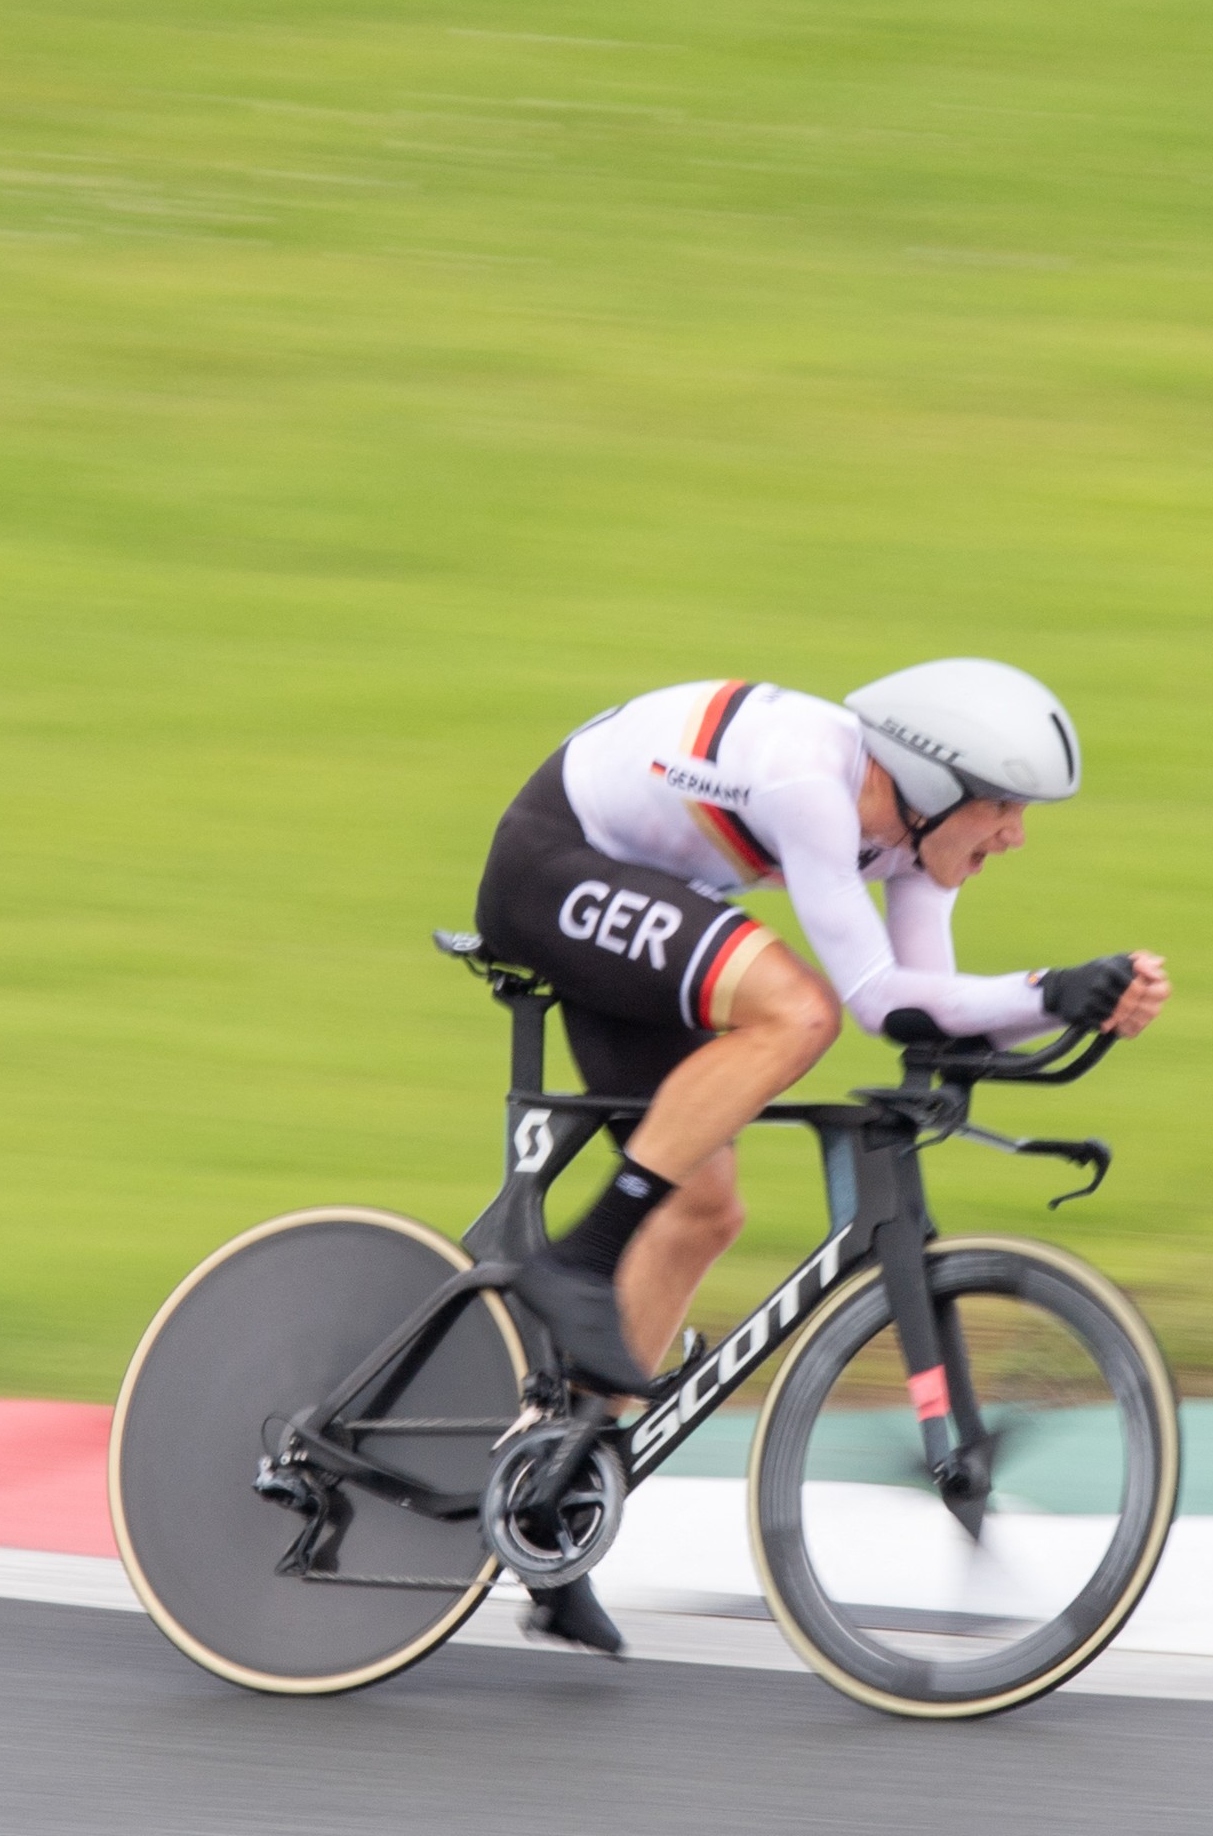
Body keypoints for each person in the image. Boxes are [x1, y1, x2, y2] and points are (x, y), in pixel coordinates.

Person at [470, 660, 1169, 1654]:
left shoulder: (913, 845)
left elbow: (926, 1008)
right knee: (794, 1013)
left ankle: (555, 1506)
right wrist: (1047, 986)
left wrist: (1074, 1001)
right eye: (1005, 809)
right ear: (934, 787)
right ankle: (578, 1257)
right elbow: (868, 999)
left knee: (705, 1210)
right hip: (554, 868)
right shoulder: (815, 782)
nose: (1014, 835)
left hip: (648, 897)